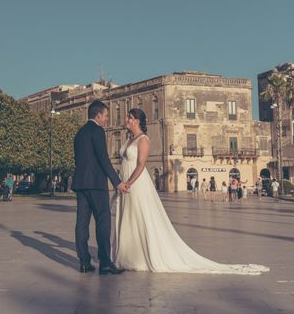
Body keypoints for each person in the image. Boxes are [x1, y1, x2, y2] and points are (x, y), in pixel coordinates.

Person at [113, 108, 268, 275]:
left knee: (138, 216)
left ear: (136, 120)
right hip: (125, 182)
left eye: (129, 117)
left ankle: (140, 257)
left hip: (136, 183)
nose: (126, 120)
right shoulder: (129, 139)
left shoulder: (143, 140)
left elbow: (141, 164)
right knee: (127, 216)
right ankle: (126, 255)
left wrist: (128, 183)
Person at [73, 100, 129, 275]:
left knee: (81, 224)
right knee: (103, 222)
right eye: (105, 116)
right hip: (96, 184)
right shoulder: (97, 131)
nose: (107, 120)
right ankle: (105, 262)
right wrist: (117, 181)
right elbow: (103, 158)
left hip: (81, 184)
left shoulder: (79, 133)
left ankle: (84, 262)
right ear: (98, 115)